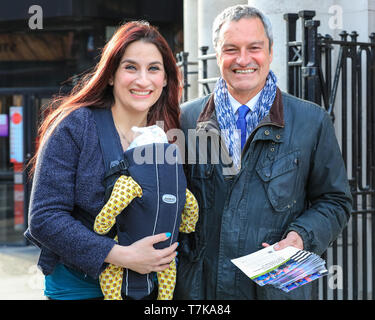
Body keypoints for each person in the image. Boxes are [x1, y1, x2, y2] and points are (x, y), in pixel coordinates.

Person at [174, 5, 352, 300]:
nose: (243, 60)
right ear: (218, 54)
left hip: (276, 290)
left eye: (254, 48)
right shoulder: (184, 120)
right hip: (198, 292)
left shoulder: (311, 121)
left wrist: (301, 237)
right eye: (231, 49)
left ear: (270, 53)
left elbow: (335, 200)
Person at [25, 21, 184, 300]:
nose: (143, 80)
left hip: (152, 289)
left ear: (166, 78)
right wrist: (122, 256)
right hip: (80, 289)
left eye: (154, 68)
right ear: (111, 75)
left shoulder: (170, 132)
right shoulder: (74, 126)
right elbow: (44, 218)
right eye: (130, 67)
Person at [93, 124, 198, 300]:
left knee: (111, 271)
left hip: (127, 240)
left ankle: (113, 297)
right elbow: (191, 205)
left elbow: (115, 203)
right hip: (166, 248)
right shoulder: (177, 184)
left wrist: (103, 224)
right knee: (168, 269)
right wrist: (187, 226)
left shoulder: (129, 181)